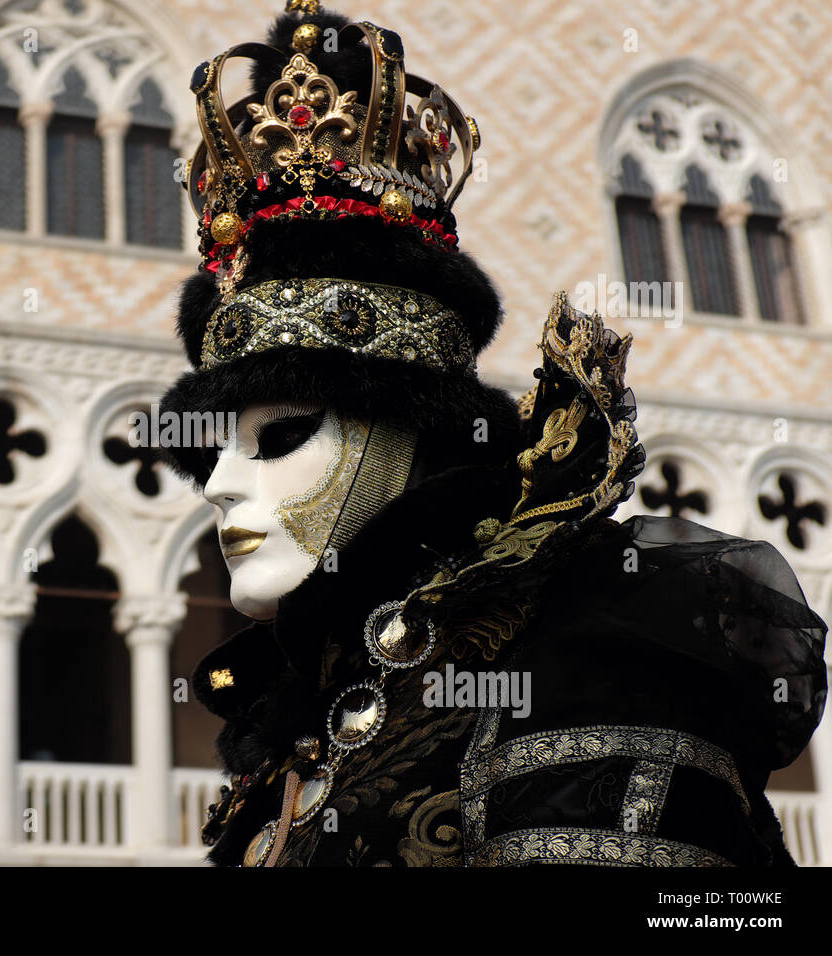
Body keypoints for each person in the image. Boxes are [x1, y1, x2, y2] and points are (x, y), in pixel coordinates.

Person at [155, 2, 827, 867]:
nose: (217, 484)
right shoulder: (304, 735)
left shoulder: (582, 671)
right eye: (212, 449)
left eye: (278, 438)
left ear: (411, 437)